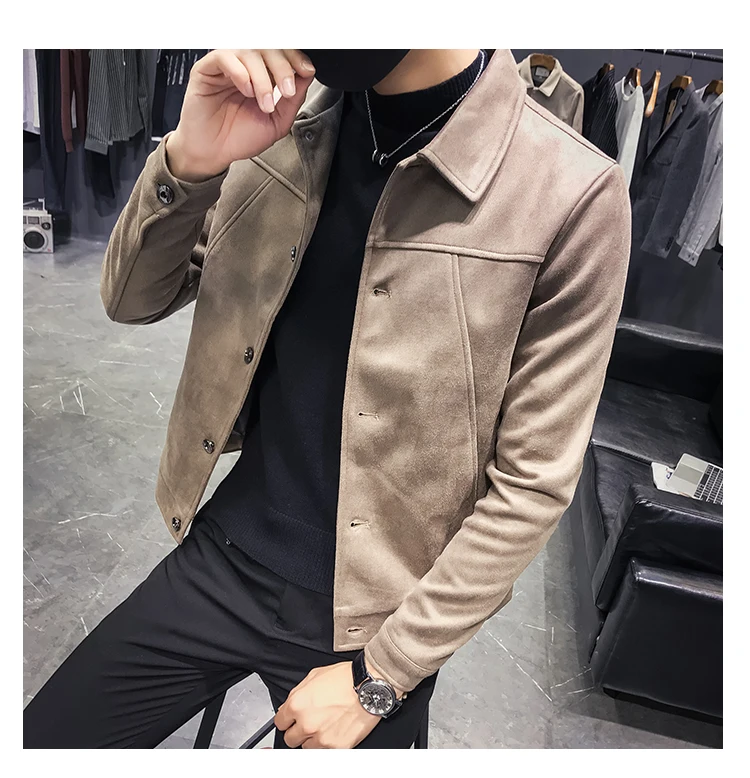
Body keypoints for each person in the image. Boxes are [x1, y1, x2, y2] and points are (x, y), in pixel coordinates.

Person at [23, 48, 632, 749]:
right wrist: (190, 160)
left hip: (376, 621)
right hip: (228, 552)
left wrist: (382, 676)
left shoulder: (568, 191)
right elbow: (131, 299)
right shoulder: (280, 126)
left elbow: (531, 485)